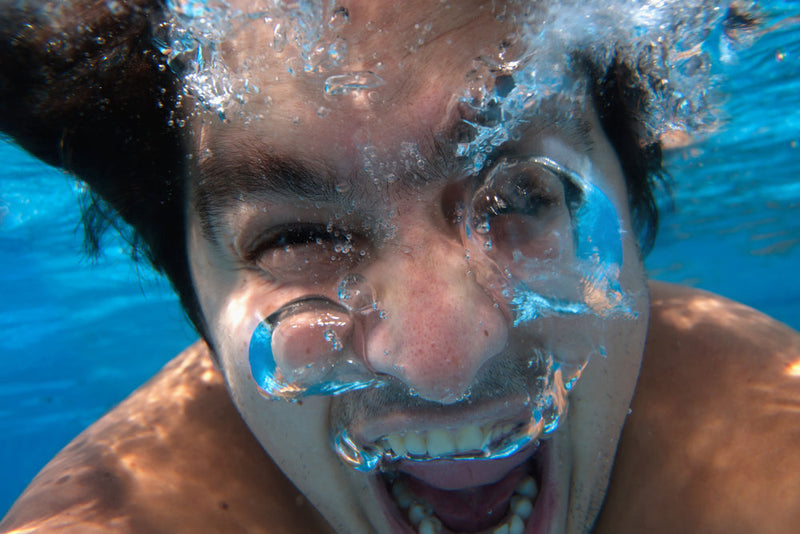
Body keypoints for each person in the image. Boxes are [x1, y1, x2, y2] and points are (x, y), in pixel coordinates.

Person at [1, 1, 799, 533]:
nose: (443, 368)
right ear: (197, 300)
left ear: (630, 207)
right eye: (297, 237)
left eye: (523, 195)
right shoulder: (108, 516)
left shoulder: (773, 464)